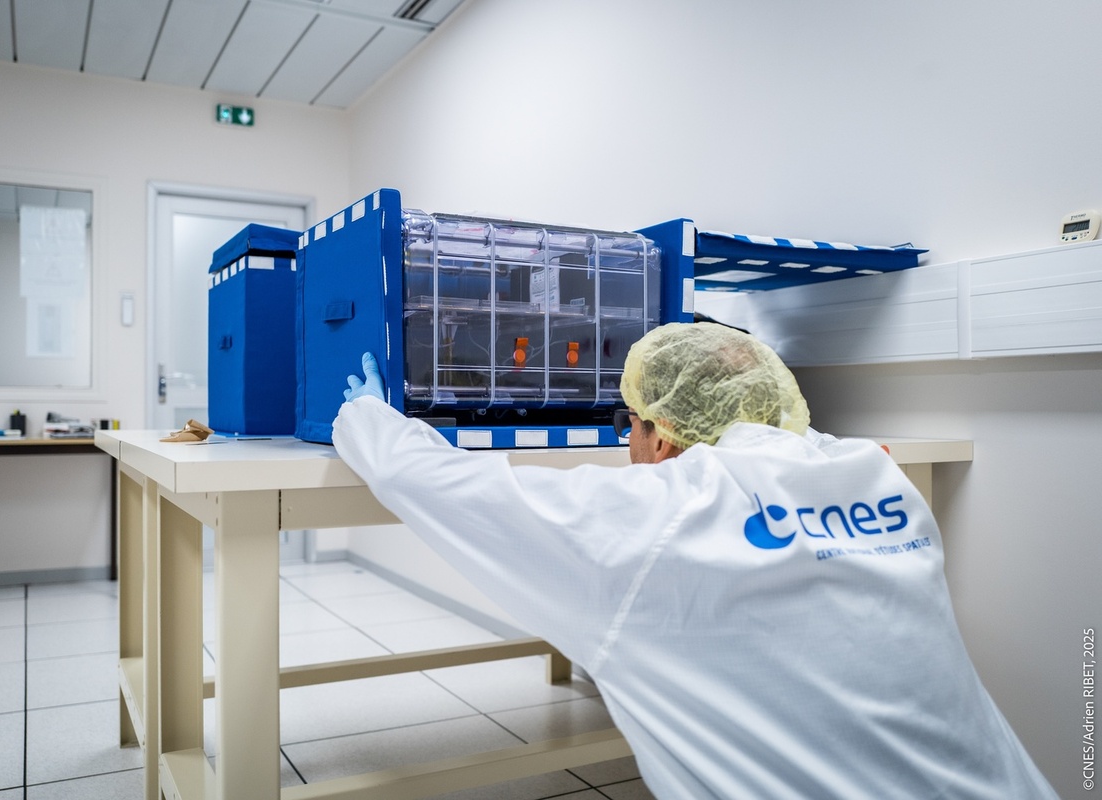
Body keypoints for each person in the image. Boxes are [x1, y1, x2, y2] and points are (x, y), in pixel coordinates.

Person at [332, 322, 1056, 799]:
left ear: (664, 435)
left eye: (630, 424)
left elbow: (443, 486)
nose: (628, 445)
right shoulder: (876, 478)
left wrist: (367, 416)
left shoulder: (652, 523)